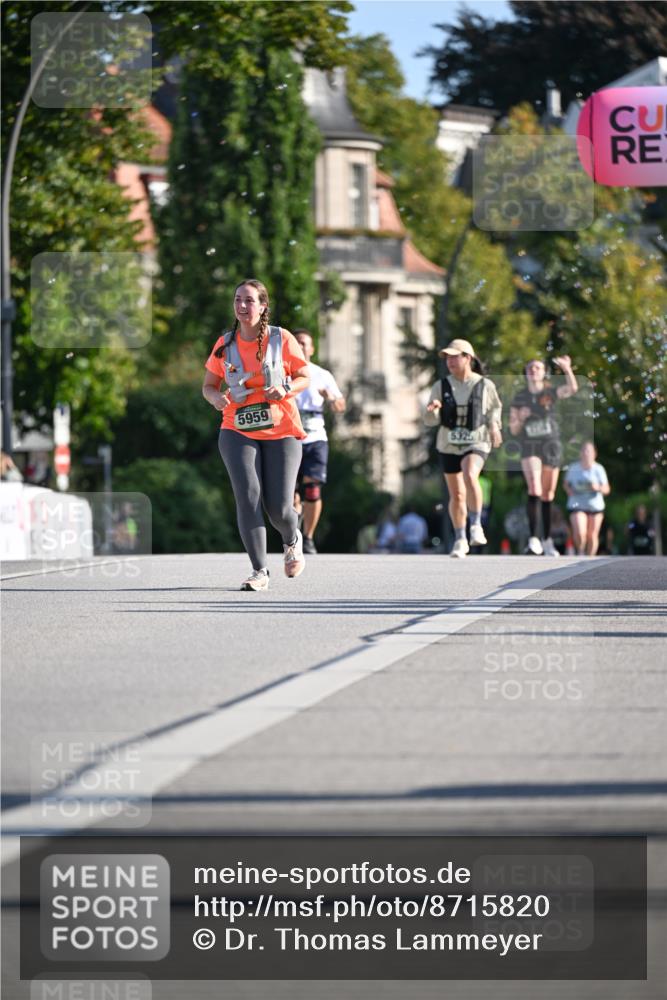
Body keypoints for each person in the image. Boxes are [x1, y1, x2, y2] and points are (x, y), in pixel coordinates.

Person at [202, 279, 310, 591]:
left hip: (281, 429)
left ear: (262, 306)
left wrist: (286, 387)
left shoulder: (281, 338)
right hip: (237, 428)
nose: (242, 306)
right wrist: (215, 398)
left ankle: (292, 537)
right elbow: (208, 386)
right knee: (248, 497)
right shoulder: (225, 344)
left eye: (249, 300)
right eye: (238, 300)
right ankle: (259, 570)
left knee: (278, 507)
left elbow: (305, 376)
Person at [424, 338, 503, 559]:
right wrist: (433, 410)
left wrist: (495, 427)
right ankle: (460, 538)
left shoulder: (484, 385)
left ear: (467, 358)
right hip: (448, 443)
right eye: (447, 357)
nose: (449, 361)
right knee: (457, 494)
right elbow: (430, 420)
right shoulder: (441, 386)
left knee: (470, 474)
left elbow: (495, 409)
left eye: (454, 356)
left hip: (476, 439)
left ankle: (476, 525)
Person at [509, 356, 578, 556]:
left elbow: (572, 389)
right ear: (526, 372)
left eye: (538, 367)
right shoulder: (519, 397)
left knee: (548, 494)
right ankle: (533, 539)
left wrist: (567, 369)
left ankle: (547, 540)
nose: (533, 370)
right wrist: (519, 419)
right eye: (530, 367)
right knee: (534, 488)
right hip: (530, 446)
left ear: (543, 372)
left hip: (551, 445)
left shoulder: (550, 392)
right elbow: (513, 430)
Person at [292, 329, 345, 554]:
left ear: (312, 349)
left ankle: (308, 536)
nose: (301, 347)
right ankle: (292, 534)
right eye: (297, 343)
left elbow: (341, 406)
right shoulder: (282, 371)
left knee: (312, 490)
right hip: (289, 437)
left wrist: (330, 398)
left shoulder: (322, 375)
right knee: (290, 492)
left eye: (305, 344)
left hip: (315, 437)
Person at [563, 441, 610, 556]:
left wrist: (597, 487)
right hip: (577, 504)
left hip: (595, 506)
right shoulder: (573, 468)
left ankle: (589, 560)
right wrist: (569, 490)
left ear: (594, 454)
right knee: (580, 532)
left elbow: (607, 489)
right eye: (583, 450)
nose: (586, 453)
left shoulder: (599, 469)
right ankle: (580, 552)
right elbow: (565, 484)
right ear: (580, 453)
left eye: (588, 450)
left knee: (592, 534)